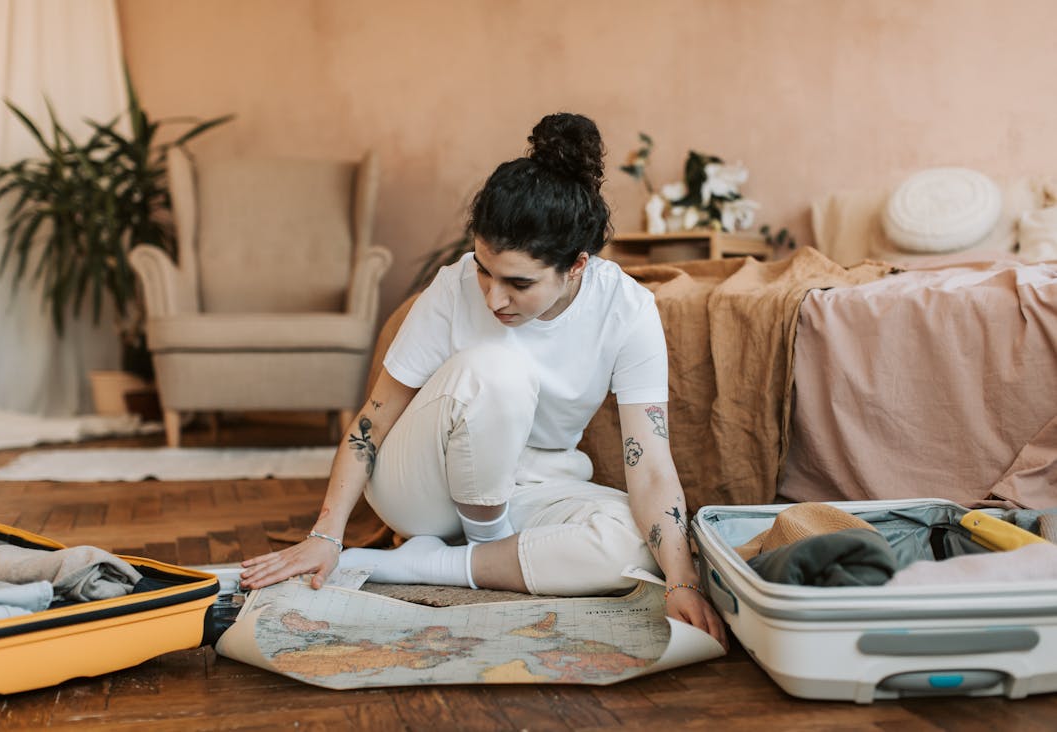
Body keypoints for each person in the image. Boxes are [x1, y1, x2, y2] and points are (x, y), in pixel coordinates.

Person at [240, 112, 727, 646]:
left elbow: (651, 466)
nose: (494, 298)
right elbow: (371, 424)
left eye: (519, 283)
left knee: (639, 543)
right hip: (422, 488)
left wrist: (681, 581)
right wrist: (326, 536)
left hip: (531, 486)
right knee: (498, 368)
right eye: (483, 269)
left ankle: (432, 564)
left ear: (577, 267)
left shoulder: (627, 309)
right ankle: (485, 548)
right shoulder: (452, 288)